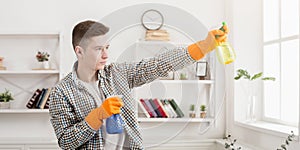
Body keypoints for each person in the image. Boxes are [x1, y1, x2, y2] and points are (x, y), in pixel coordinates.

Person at [49, 20, 228, 150]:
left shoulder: (119, 74)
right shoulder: (61, 92)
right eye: (98, 49)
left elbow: (159, 64)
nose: (105, 55)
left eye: (107, 48)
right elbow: (66, 142)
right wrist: (97, 116)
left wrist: (203, 46)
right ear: (79, 51)